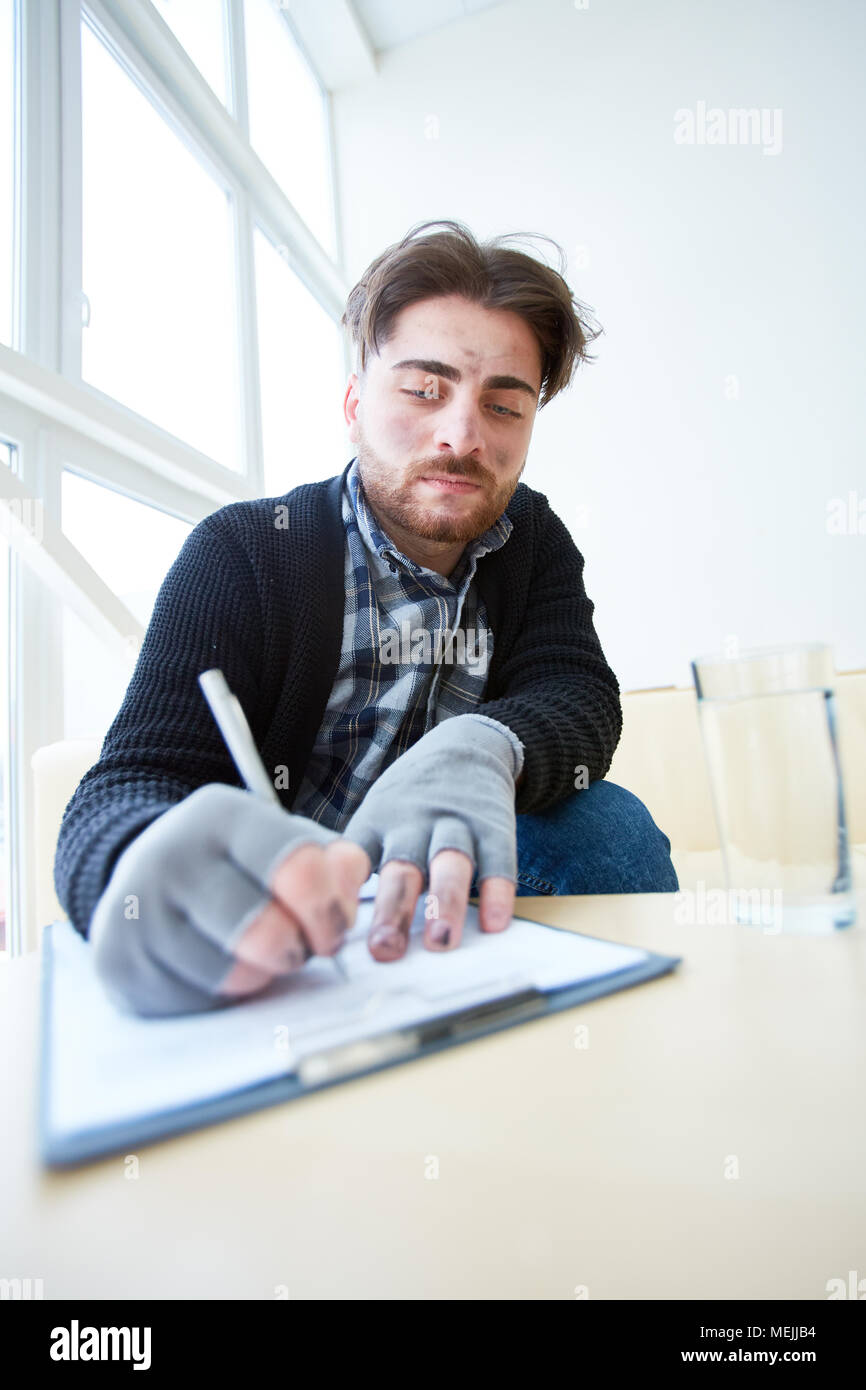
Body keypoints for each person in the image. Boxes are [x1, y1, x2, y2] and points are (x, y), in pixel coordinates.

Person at [54, 219, 678, 1017]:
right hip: (289, 942)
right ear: (355, 402)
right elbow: (130, 783)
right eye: (424, 390)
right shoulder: (245, 552)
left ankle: (622, 1061)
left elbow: (578, 693)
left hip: (453, 901)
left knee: (605, 824)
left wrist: (486, 744)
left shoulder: (534, 538)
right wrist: (131, 865)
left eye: (504, 406)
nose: (462, 435)